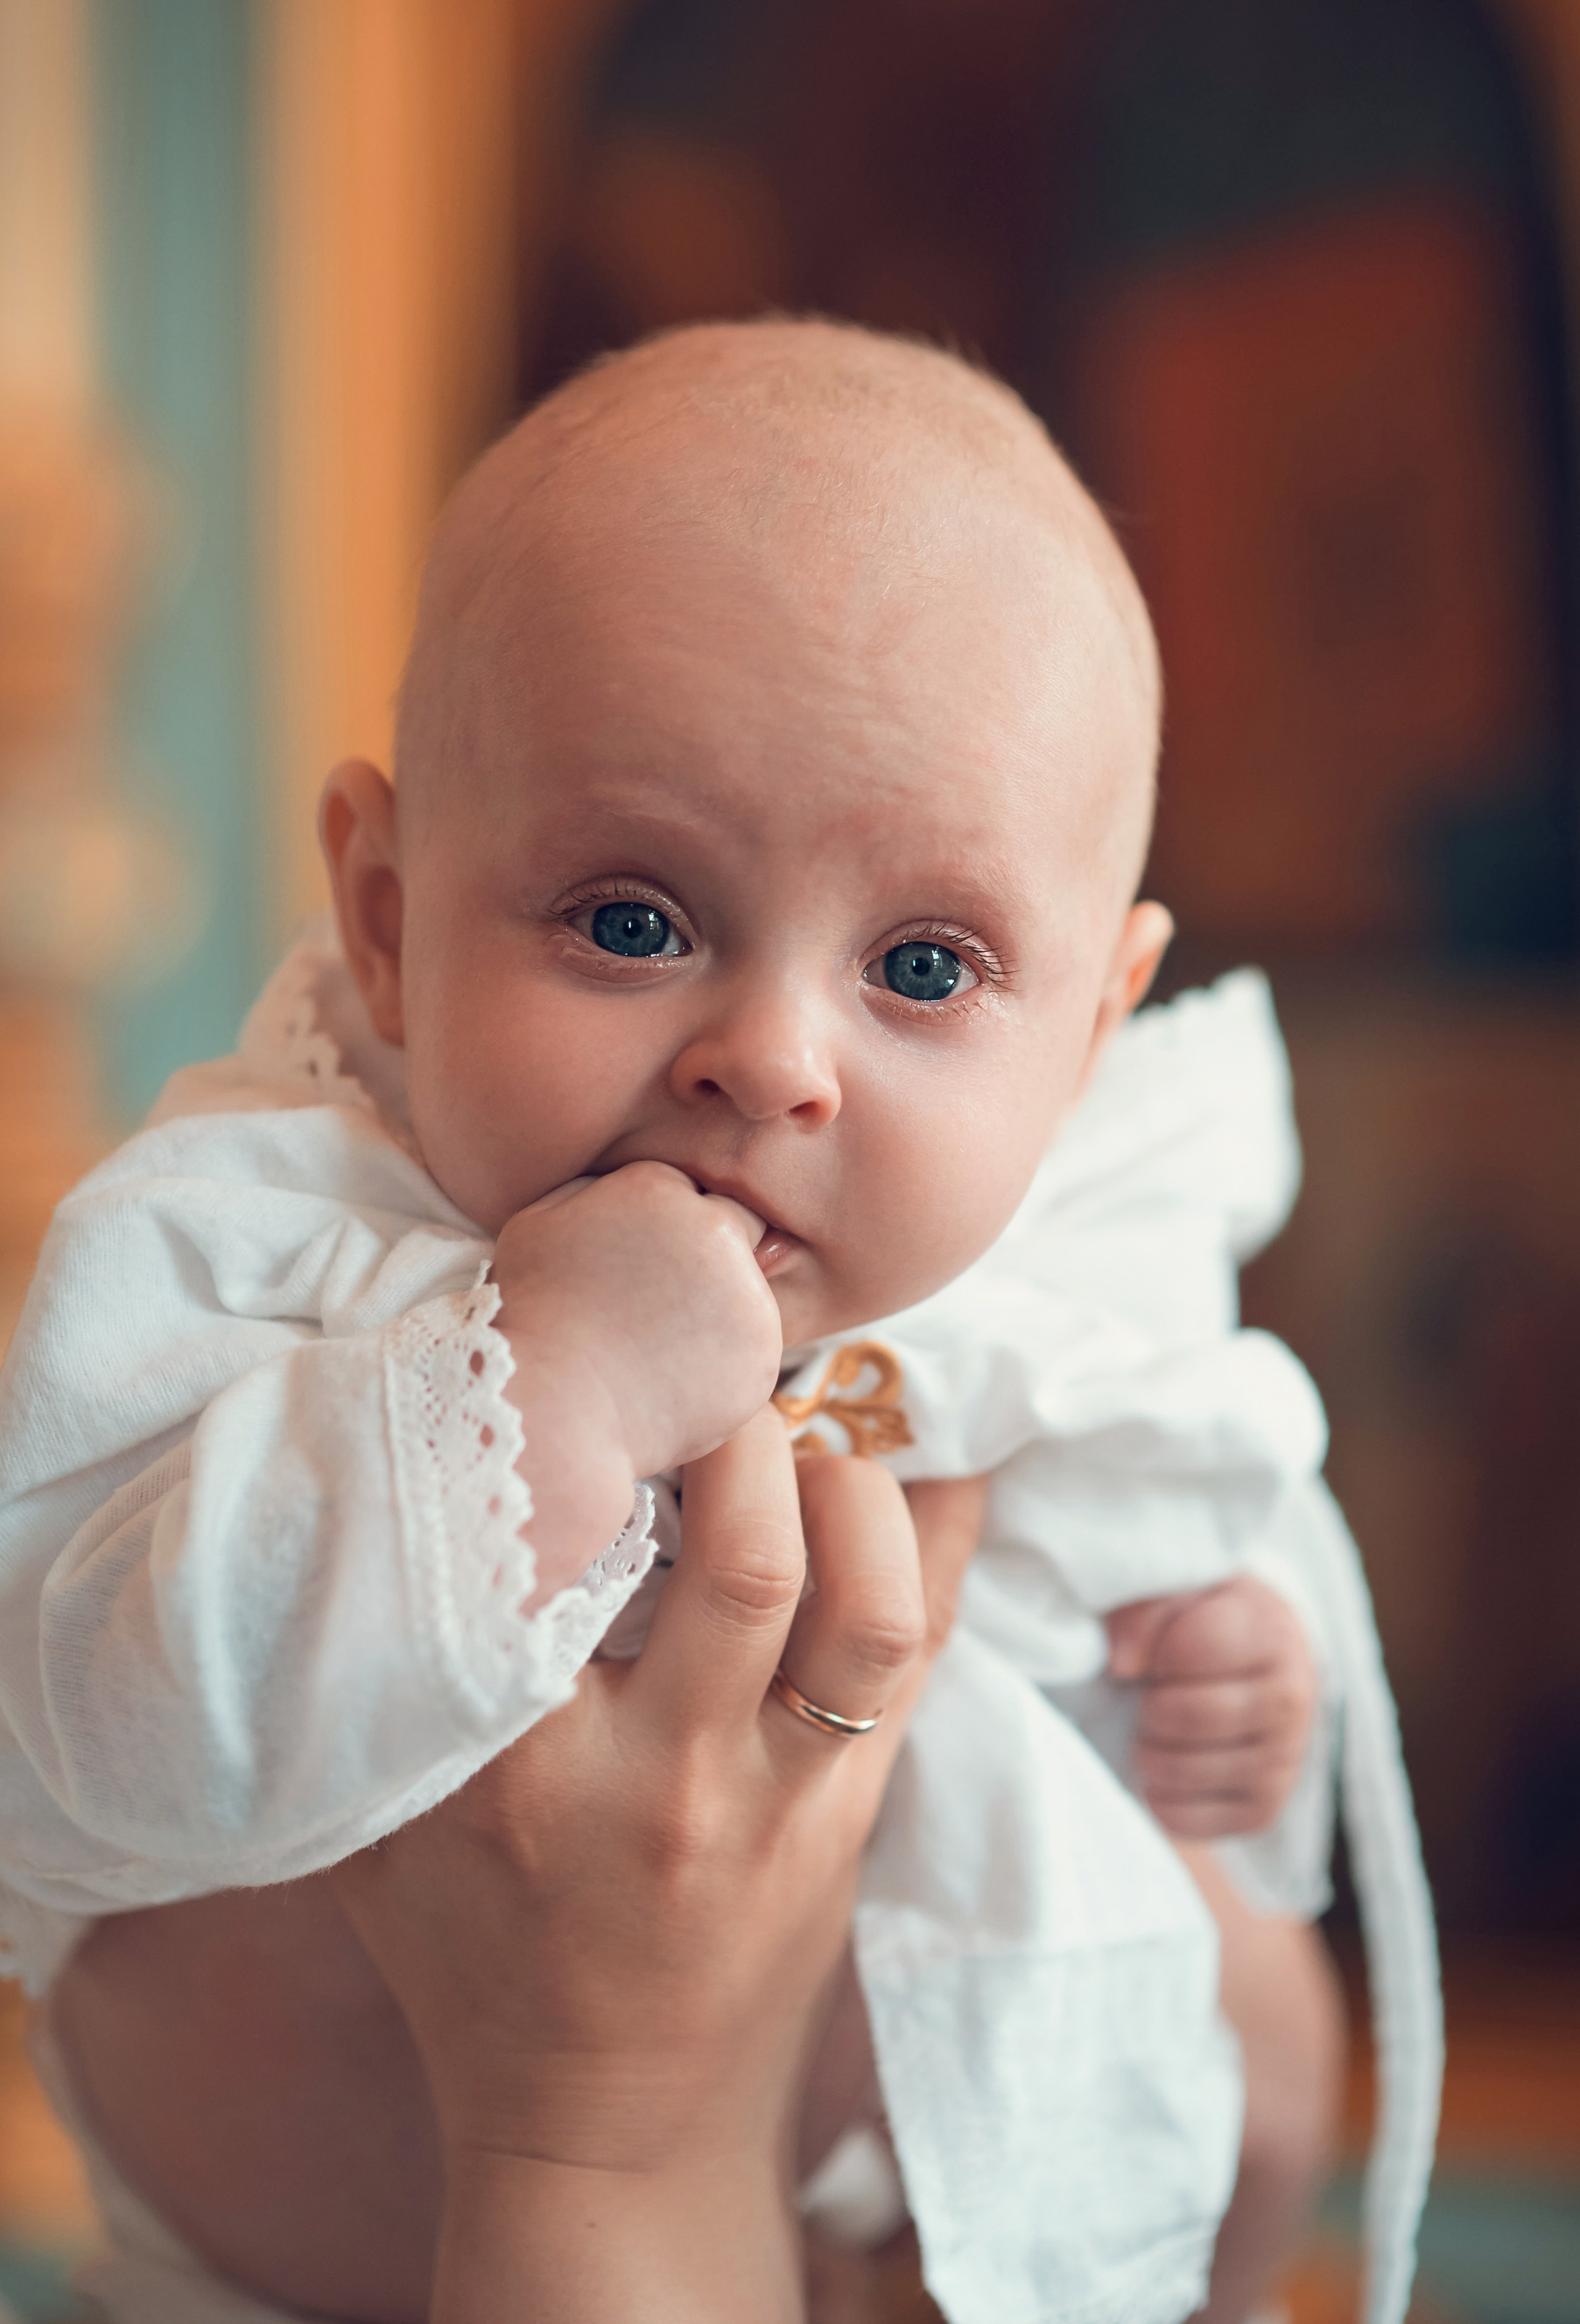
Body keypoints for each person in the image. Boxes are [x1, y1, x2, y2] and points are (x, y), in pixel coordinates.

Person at [0, 318, 1436, 2324]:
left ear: (1094, 1035)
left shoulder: (1038, 1281)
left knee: (1240, 2051)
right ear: (390, 923)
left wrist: (1211, 1662)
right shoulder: (264, 1242)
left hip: (829, 2231)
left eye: (923, 967)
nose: (769, 1059)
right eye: (631, 922)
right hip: (272, 2286)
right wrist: (533, 1391)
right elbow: (82, 1710)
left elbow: (1156, 1496)